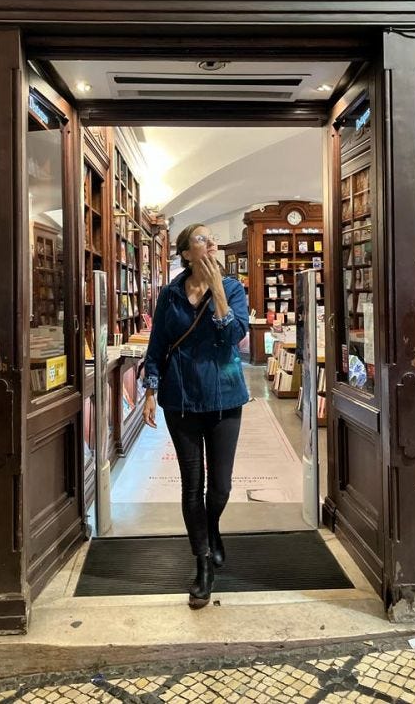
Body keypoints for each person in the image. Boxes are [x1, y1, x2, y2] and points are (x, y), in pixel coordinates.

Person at [142, 223, 249, 608]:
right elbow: (157, 344)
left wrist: (217, 289)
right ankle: (202, 563)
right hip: (181, 398)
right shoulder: (170, 294)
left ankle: (212, 526)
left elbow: (234, 336)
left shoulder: (233, 288)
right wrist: (150, 391)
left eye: (212, 238)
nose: (211, 243)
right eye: (202, 239)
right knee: (192, 485)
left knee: (220, 487)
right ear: (186, 253)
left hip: (224, 397)